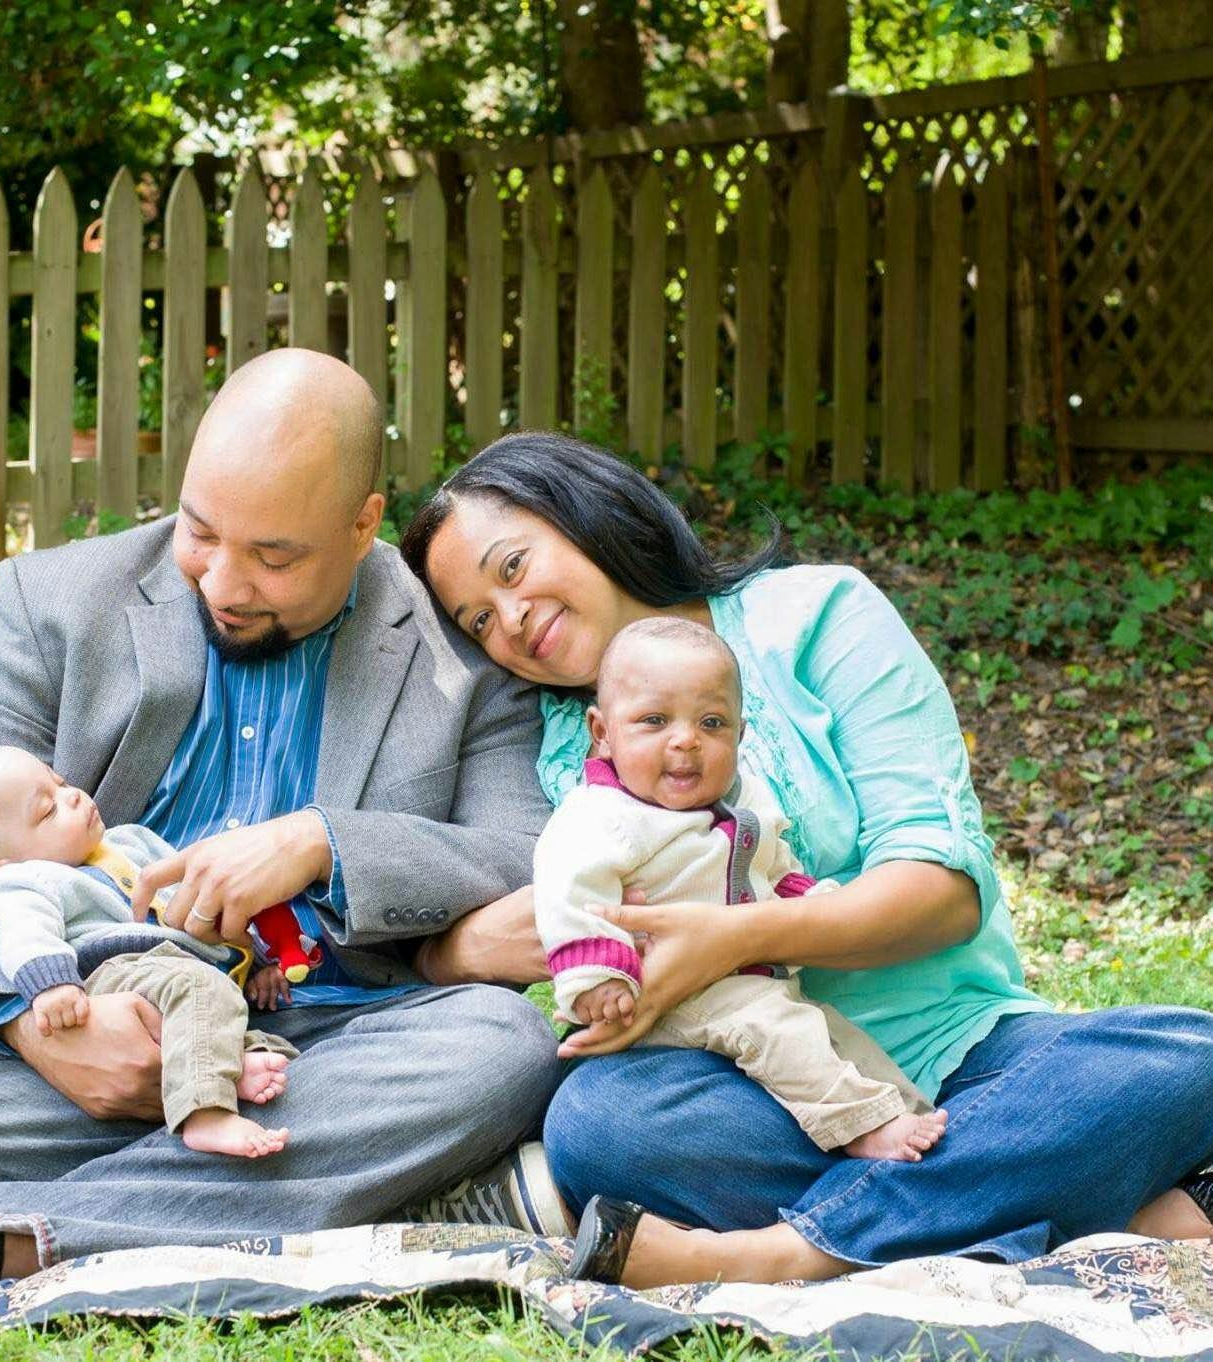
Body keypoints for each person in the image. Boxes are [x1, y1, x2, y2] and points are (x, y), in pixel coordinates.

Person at [401, 429, 1213, 1290]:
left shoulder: (817, 615)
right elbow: (515, 922)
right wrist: (443, 950)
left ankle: (792, 1251)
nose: (512, 620)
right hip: (760, 1092)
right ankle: (1074, 1192)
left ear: (585, 513)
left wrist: (729, 934)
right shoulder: (560, 740)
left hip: (968, 1054)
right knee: (603, 1124)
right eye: (478, 620)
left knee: (1183, 1056)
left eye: (514, 567)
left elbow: (941, 892)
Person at [0, 350, 566, 1294]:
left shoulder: (462, 649)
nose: (223, 583)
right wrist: (36, 1027)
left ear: (361, 524)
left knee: (501, 1053)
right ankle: (365, 1189)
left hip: (327, 1042)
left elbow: (520, 856)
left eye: (274, 556)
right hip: (94, 1021)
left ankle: (6, 1239)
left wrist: (319, 841)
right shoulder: (51, 603)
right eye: (200, 532)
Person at [537, 618, 946, 1163]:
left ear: (740, 735)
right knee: (781, 1035)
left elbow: (775, 870)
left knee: (832, 1034)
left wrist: (809, 904)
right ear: (603, 732)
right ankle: (861, 1129)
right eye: (654, 721)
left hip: (749, 978)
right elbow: (569, 894)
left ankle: (911, 1115)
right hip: (676, 993)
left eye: (711, 723)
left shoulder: (745, 799)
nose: (685, 739)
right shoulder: (600, 816)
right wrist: (597, 976)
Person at [0, 744, 303, 1159]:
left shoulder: (131, 842)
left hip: (178, 969)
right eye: (47, 811)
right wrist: (52, 985)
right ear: (3, 863)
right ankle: (206, 1114)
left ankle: (228, 1068)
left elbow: (203, 902)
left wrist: (258, 960)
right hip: (115, 973)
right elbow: (23, 929)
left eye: (60, 784)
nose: (73, 796)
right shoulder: (22, 882)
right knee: (201, 989)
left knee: (264, 1046)